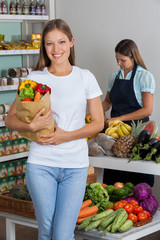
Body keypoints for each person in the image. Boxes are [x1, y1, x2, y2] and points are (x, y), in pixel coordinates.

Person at [5, 19, 104, 240]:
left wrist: (65, 136)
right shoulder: (34, 78)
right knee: (47, 231)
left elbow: (98, 123)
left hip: (75, 166)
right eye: (49, 44)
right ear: (44, 47)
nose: (56, 49)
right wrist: (31, 126)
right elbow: (10, 119)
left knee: (62, 234)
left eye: (61, 42)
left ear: (71, 42)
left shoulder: (84, 77)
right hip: (41, 164)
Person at [102, 39, 155, 186]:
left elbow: (147, 110)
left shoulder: (144, 76)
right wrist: (98, 111)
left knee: (137, 180)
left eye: (123, 60)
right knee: (114, 180)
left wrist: (119, 118)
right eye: (117, 60)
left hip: (138, 134)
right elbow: (107, 102)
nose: (119, 63)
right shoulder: (114, 76)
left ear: (133, 57)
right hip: (115, 134)